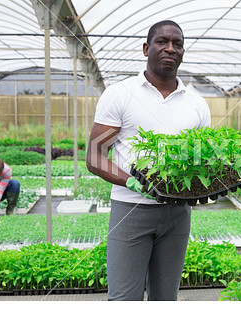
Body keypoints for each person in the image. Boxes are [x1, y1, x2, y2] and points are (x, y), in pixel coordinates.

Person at [86, 20, 211, 301]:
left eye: (177, 43)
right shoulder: (120, 94)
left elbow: (200, 161)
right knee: (123, 299)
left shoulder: (197, 103)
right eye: (162, 42)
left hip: (178, 213)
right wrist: (130, 180)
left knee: (165, 299)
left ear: (183, 51)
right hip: (131, 210)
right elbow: (94, 157)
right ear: (146, 48)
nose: (170, 48)